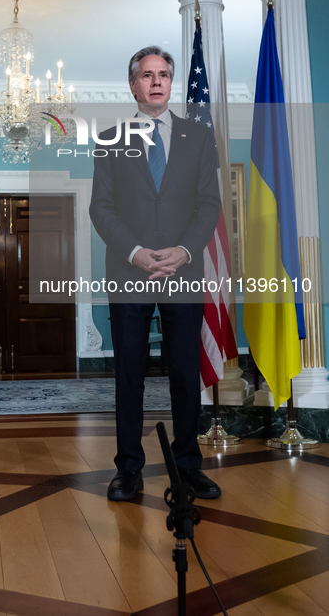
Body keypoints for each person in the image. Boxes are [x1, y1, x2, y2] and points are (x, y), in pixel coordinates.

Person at [89, 45, 222, 501]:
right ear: (133, 85)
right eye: (147, 75)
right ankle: (128, 469)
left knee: (185, 370)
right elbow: (100, 208)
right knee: (129, 373)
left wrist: (183, 252)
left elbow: (209, 205)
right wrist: (137, 253)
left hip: (184, 272)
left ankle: (188, 466)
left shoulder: (199, 138)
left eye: (164, 73)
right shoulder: (110, 138)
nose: (157, 81)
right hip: (130, 273)